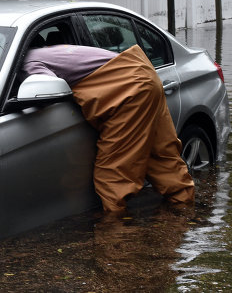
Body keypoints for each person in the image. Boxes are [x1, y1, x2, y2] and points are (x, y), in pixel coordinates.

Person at [22, 43, 195, 212]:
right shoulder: (50, 51)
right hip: (143, 72)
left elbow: (48, 92)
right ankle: (186, 213)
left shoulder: (29, 63)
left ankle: (114, 236)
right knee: (162, 157)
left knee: (112, 175)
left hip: (128, 89)